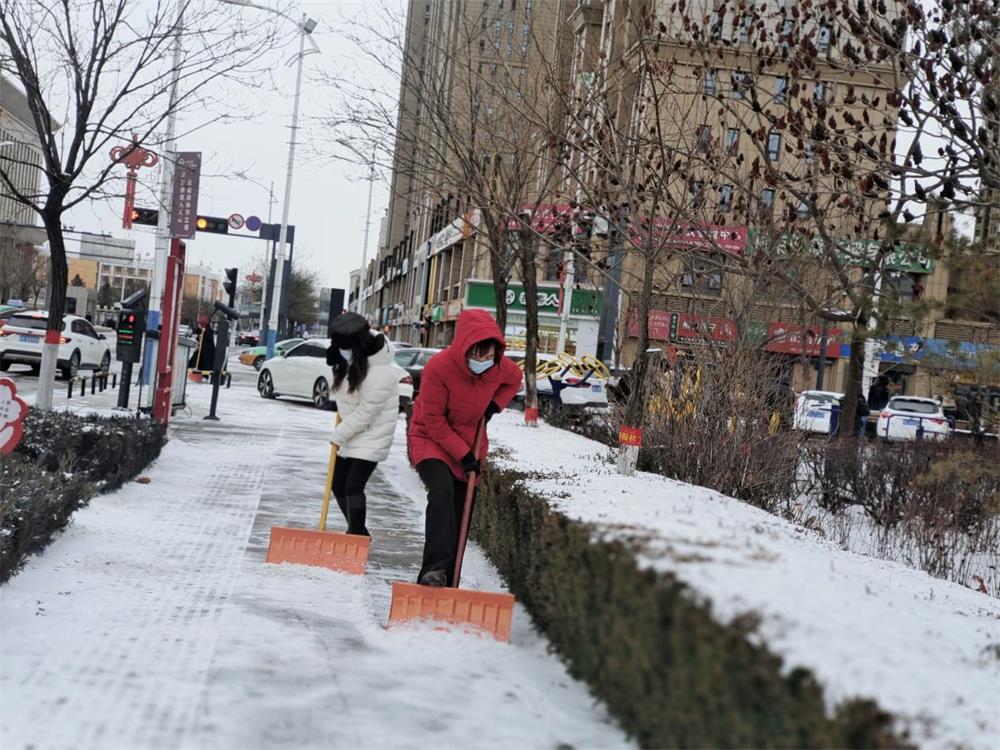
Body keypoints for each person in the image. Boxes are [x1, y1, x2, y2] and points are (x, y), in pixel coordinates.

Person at [406, 309, 523, 587]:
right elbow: (433, 420)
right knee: (442, 492)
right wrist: (465, 456)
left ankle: (447, 579)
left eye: (488, 356)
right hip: (430, 439)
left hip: (470, 440)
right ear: (464, 348)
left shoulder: (498, 366)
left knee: (461, 509)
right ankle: (433, 569)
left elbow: (515, 378)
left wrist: (495, 406)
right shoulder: (439, 367)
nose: (483, 361)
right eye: (477, 355)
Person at [326, 313, 400, 536]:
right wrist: (337, 364)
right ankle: (359, 533)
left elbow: (367, 411)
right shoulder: (352, 363)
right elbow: (346, 399)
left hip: (373, 435)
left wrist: (339, 435)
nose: (342, 352)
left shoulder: (380, 370)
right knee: (337, 484)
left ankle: (356, 535)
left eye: (344, 348)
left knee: (353, 486)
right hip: (354, 433)